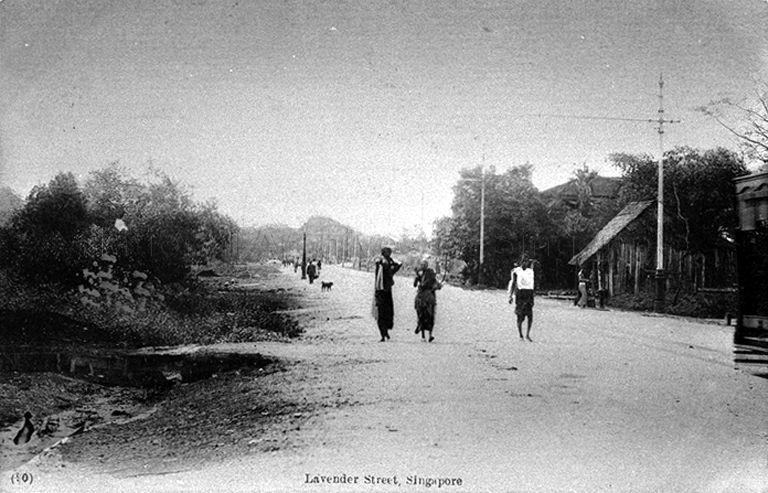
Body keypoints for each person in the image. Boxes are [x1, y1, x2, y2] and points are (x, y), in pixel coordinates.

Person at [372, 247, 402, 342]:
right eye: (388, 252)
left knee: (385, 312)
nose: (389, 254)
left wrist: (395, 266)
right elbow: (391, 269)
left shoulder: (387, 261)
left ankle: (385, 333)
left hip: (384, 290)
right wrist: (395, 266)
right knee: (382, 312)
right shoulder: (382, 262)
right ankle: (383, 333)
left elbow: (392, 270)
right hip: (382, 290)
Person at [413, 259, 442, 342]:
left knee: (430, 315)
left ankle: (430, 335)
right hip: (421, 296)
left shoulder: (430, 273)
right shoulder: (420, 273)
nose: (423, 266)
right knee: (421, 314)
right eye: (422, 265)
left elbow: (431, 282)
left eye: (424, 265)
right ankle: (422, 334)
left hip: (429, 296)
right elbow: (415, 285)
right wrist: (417, 278)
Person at [509, 256, 535, 341]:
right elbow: (513, 283)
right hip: (520, 294)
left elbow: (532, 283)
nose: (524, 263)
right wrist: (510, 296)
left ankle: (527, 334)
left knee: (530, 316)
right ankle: (520, 335)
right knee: (520, 316)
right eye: (523, 261)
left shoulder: (530, 271)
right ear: (520, 262)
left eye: (526, 262)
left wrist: (533, 294)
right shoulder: (517, 271)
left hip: (529, 293)